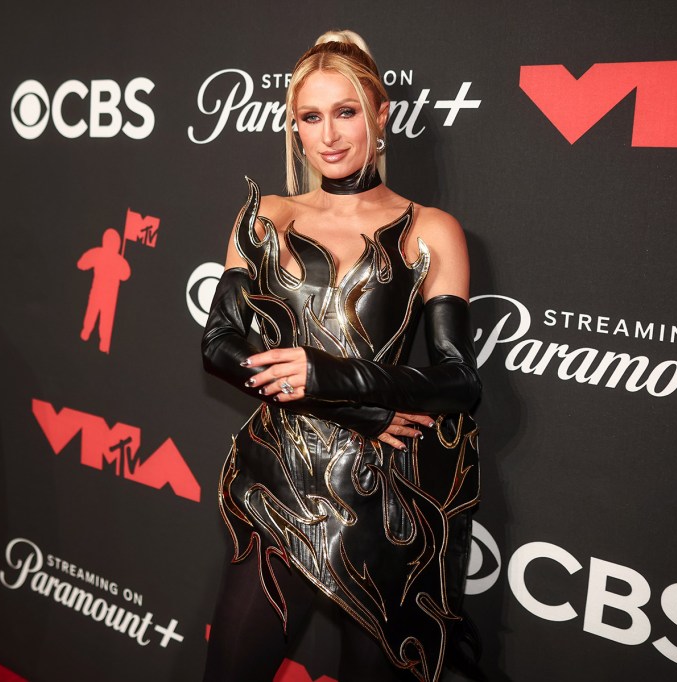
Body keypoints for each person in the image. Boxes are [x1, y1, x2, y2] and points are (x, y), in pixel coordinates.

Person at [201, 30, 482, 682]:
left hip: (386, 505)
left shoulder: (429, 229)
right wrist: (356, 408)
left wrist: (324, 373)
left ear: (381, 116)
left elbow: (459, 381)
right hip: (280, 486)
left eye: (346, 112)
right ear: (294, 127)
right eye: (310, 117)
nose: (328, 135)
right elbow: (219, 345)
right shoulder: (266, 217)